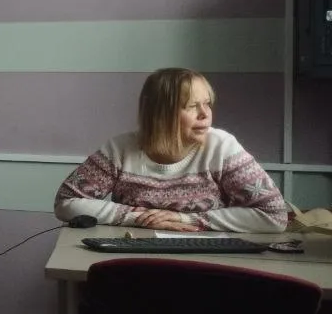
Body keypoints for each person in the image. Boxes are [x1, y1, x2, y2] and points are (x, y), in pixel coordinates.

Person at [54, 67, 287, 233]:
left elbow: (274, 216)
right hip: (134, 257)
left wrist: (186, 219)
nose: (205, 114)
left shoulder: (222, 147)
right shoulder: (120, 149)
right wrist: (139, 218)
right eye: (192, 106)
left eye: (207, 103)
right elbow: (66, 202)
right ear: (161, 115)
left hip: (205, 258)